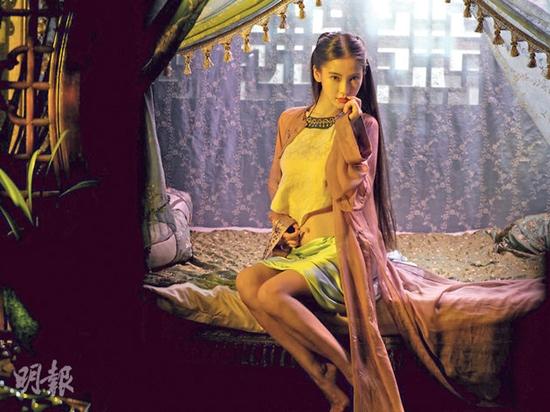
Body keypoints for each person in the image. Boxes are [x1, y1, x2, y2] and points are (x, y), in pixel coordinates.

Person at [236, 32, 545, 412]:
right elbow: (277, 183)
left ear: (363, 76)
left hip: (341, 250)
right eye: (335, 77)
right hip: (301, 250)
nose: (345, 88)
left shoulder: (365, 125)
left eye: (354, 78)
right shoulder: (290, 121)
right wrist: (283, 224)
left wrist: (350, 128)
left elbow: (355, 189)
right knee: (246, 281)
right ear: (317, 73)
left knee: (271, 293)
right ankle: (325, 380)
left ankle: (352, 372)